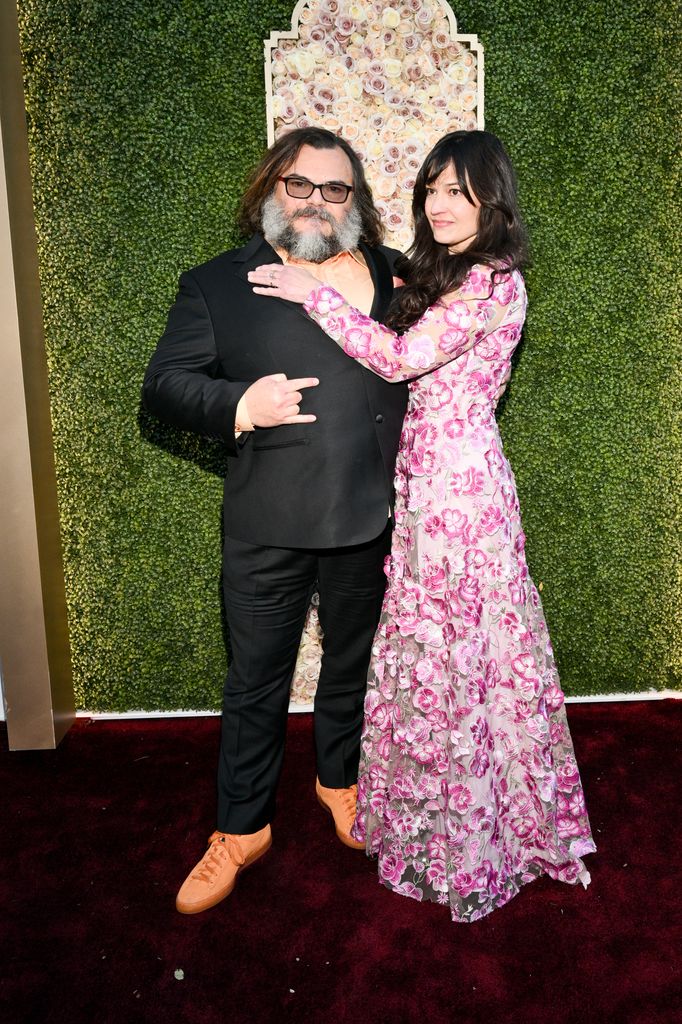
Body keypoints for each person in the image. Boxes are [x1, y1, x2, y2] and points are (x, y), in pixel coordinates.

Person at [248, 130, 596, 923]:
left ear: (491, 200)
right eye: (432, 189)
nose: (439, 205)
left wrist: (313, 293)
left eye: (458, 193)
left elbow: (399, 360)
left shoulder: (491, 283)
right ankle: (443, 809)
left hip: (459, 493)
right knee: (445, 650)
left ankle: (475, 833)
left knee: (460, 653)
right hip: (430, 483)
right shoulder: (457, 274)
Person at [142, 127, 408, 914]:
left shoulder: (395, 273)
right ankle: (241, 828)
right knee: (255, 680)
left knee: (352, 666)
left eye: (335, 188)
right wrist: (238, 403)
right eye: (300, 184)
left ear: (355, 200)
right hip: (266, 522)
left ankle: (340, 780)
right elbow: (164, 384)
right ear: (270, 188)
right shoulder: (216, 284)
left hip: (373, 516)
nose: (316, 200)